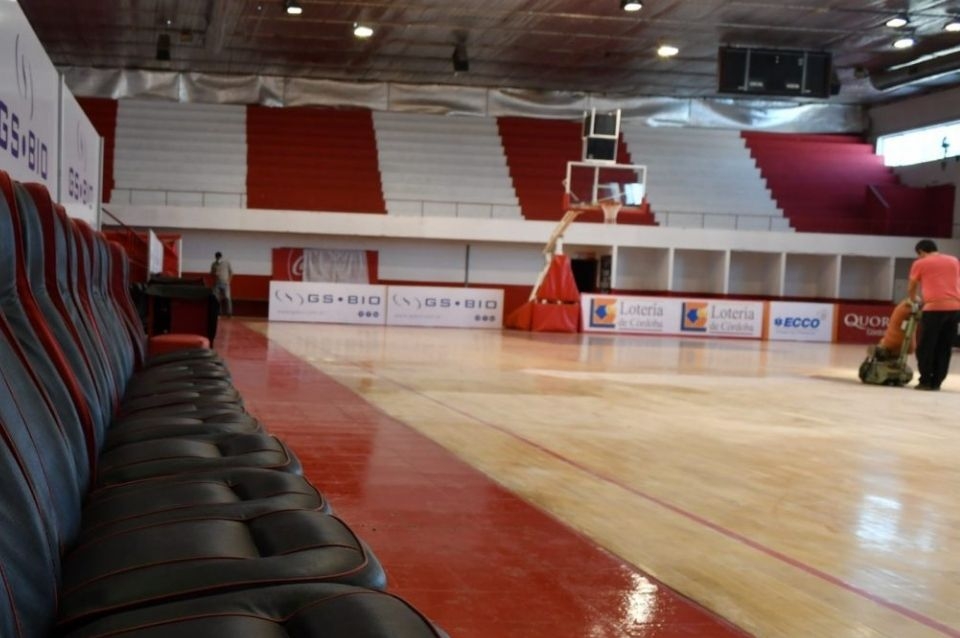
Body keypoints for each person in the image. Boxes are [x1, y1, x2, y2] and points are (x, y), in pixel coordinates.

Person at [907, 238, 960, 390]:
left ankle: (925, 381)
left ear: (921, 252)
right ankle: (937, 382)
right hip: (955, 308)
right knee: (944, 346)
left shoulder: (920, 263)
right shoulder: (954, 260)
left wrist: (913, 299)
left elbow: (912, 286)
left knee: (926, 346)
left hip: (934, 308)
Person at [210, 251, 233, 317]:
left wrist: (229, 281)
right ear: (215, 258)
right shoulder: (214, 264)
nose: (218, 259)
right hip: (217, 283)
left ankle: (229, 313)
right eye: (217, 258)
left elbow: (231, 272)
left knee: (227, 297)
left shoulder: (227, 263)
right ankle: (218, 312)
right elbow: (211, 273)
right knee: (217, 298)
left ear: (221, 257)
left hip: (225, 283)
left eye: (219, 257)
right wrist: (214, 273)